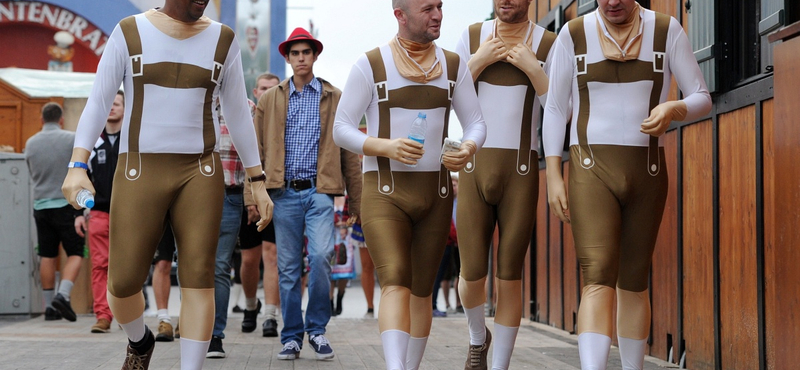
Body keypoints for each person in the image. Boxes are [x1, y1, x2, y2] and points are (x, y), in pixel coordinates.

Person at [61, 1, 273, 369]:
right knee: (123, 282)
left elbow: (239, 110)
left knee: (199, 275)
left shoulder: (223, 39)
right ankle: (139, 341)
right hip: (139, 167)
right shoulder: (130, 31)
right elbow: (98, 100)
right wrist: (77, 163)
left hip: (201, 171)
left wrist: (257, 179)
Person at [542, 1, 711, 369]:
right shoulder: (573, 33)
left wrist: (674, 108)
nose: (612, 2)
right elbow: (555, 107)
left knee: (635, 279)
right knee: (598, 274)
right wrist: (554, 174)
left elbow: (702, 96)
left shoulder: (667, 29)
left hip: (647, 172)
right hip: (590, 170)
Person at [332, 0, 487, 368]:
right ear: (400, 15)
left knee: (421, 291)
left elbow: (477, 123)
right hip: (384, 194)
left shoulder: (452, 65)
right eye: (427, 8)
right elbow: (341, 128)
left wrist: (467, 148)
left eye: (440, 6)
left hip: (436, 195)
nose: (437, 15)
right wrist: (383, 146)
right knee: (396, 280)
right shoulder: (370, 64)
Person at [248, 27, 362, 361]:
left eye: (306, 52)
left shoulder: (334, 97)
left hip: (320, 193)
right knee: (287, 268)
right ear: (288, 57)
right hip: (282, 194)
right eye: (295, 53)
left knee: (322, 257)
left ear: (315, 56)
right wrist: (252, 198)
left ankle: (317, 330)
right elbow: (254, 151)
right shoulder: (269, 100)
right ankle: (292, 337)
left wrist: (356, 199)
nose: (301, 58)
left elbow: (349, 154)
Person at [453, 0, 556, 368]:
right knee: (471, 272)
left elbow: (561, 108)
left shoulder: (548, 43)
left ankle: (500, 366)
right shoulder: (471, 36)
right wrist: (476, 62)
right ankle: (478, 338)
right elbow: (445, 96)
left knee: (510, 272)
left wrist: (535, 69)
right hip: (474, 167)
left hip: (522, 171)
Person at [25, 102, 84, 323]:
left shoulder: (30, 143)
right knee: (76, 252)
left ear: (42, 120)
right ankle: (64, 294)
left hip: (40, 206)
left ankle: (49, 307)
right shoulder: (71, 139)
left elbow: (31, 172)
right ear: (61, 120)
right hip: (65, 205)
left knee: (47, 255)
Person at [72, 91, 124, 333]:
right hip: (99, 213)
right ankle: (103, 315)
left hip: (129, 214)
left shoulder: (133, 140)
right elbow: (80, 180)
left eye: (117, 103)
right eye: (109, 104)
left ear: (125, 107)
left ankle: (127, 314)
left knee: (127, 266)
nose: (112, 107)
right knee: (100, 265)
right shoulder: (91, 143)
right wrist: (81, 212)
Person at [240, 72, 281, 339]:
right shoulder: (244, 117)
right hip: (249, 194)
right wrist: (250, 199)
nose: (267, 92)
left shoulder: (283, 119)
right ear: (256, 92)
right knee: (249, 259)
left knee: (272, 255)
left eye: (273, 89)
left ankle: (269, 314)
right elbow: (242, 159)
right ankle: (251, 305)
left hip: (277, 193)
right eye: (263, 88)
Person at [152, 223, 177, 342]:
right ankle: (164, 320)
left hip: (189, 207)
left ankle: (186, 318)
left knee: (188, 263)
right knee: (162, 262)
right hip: (162, 209)